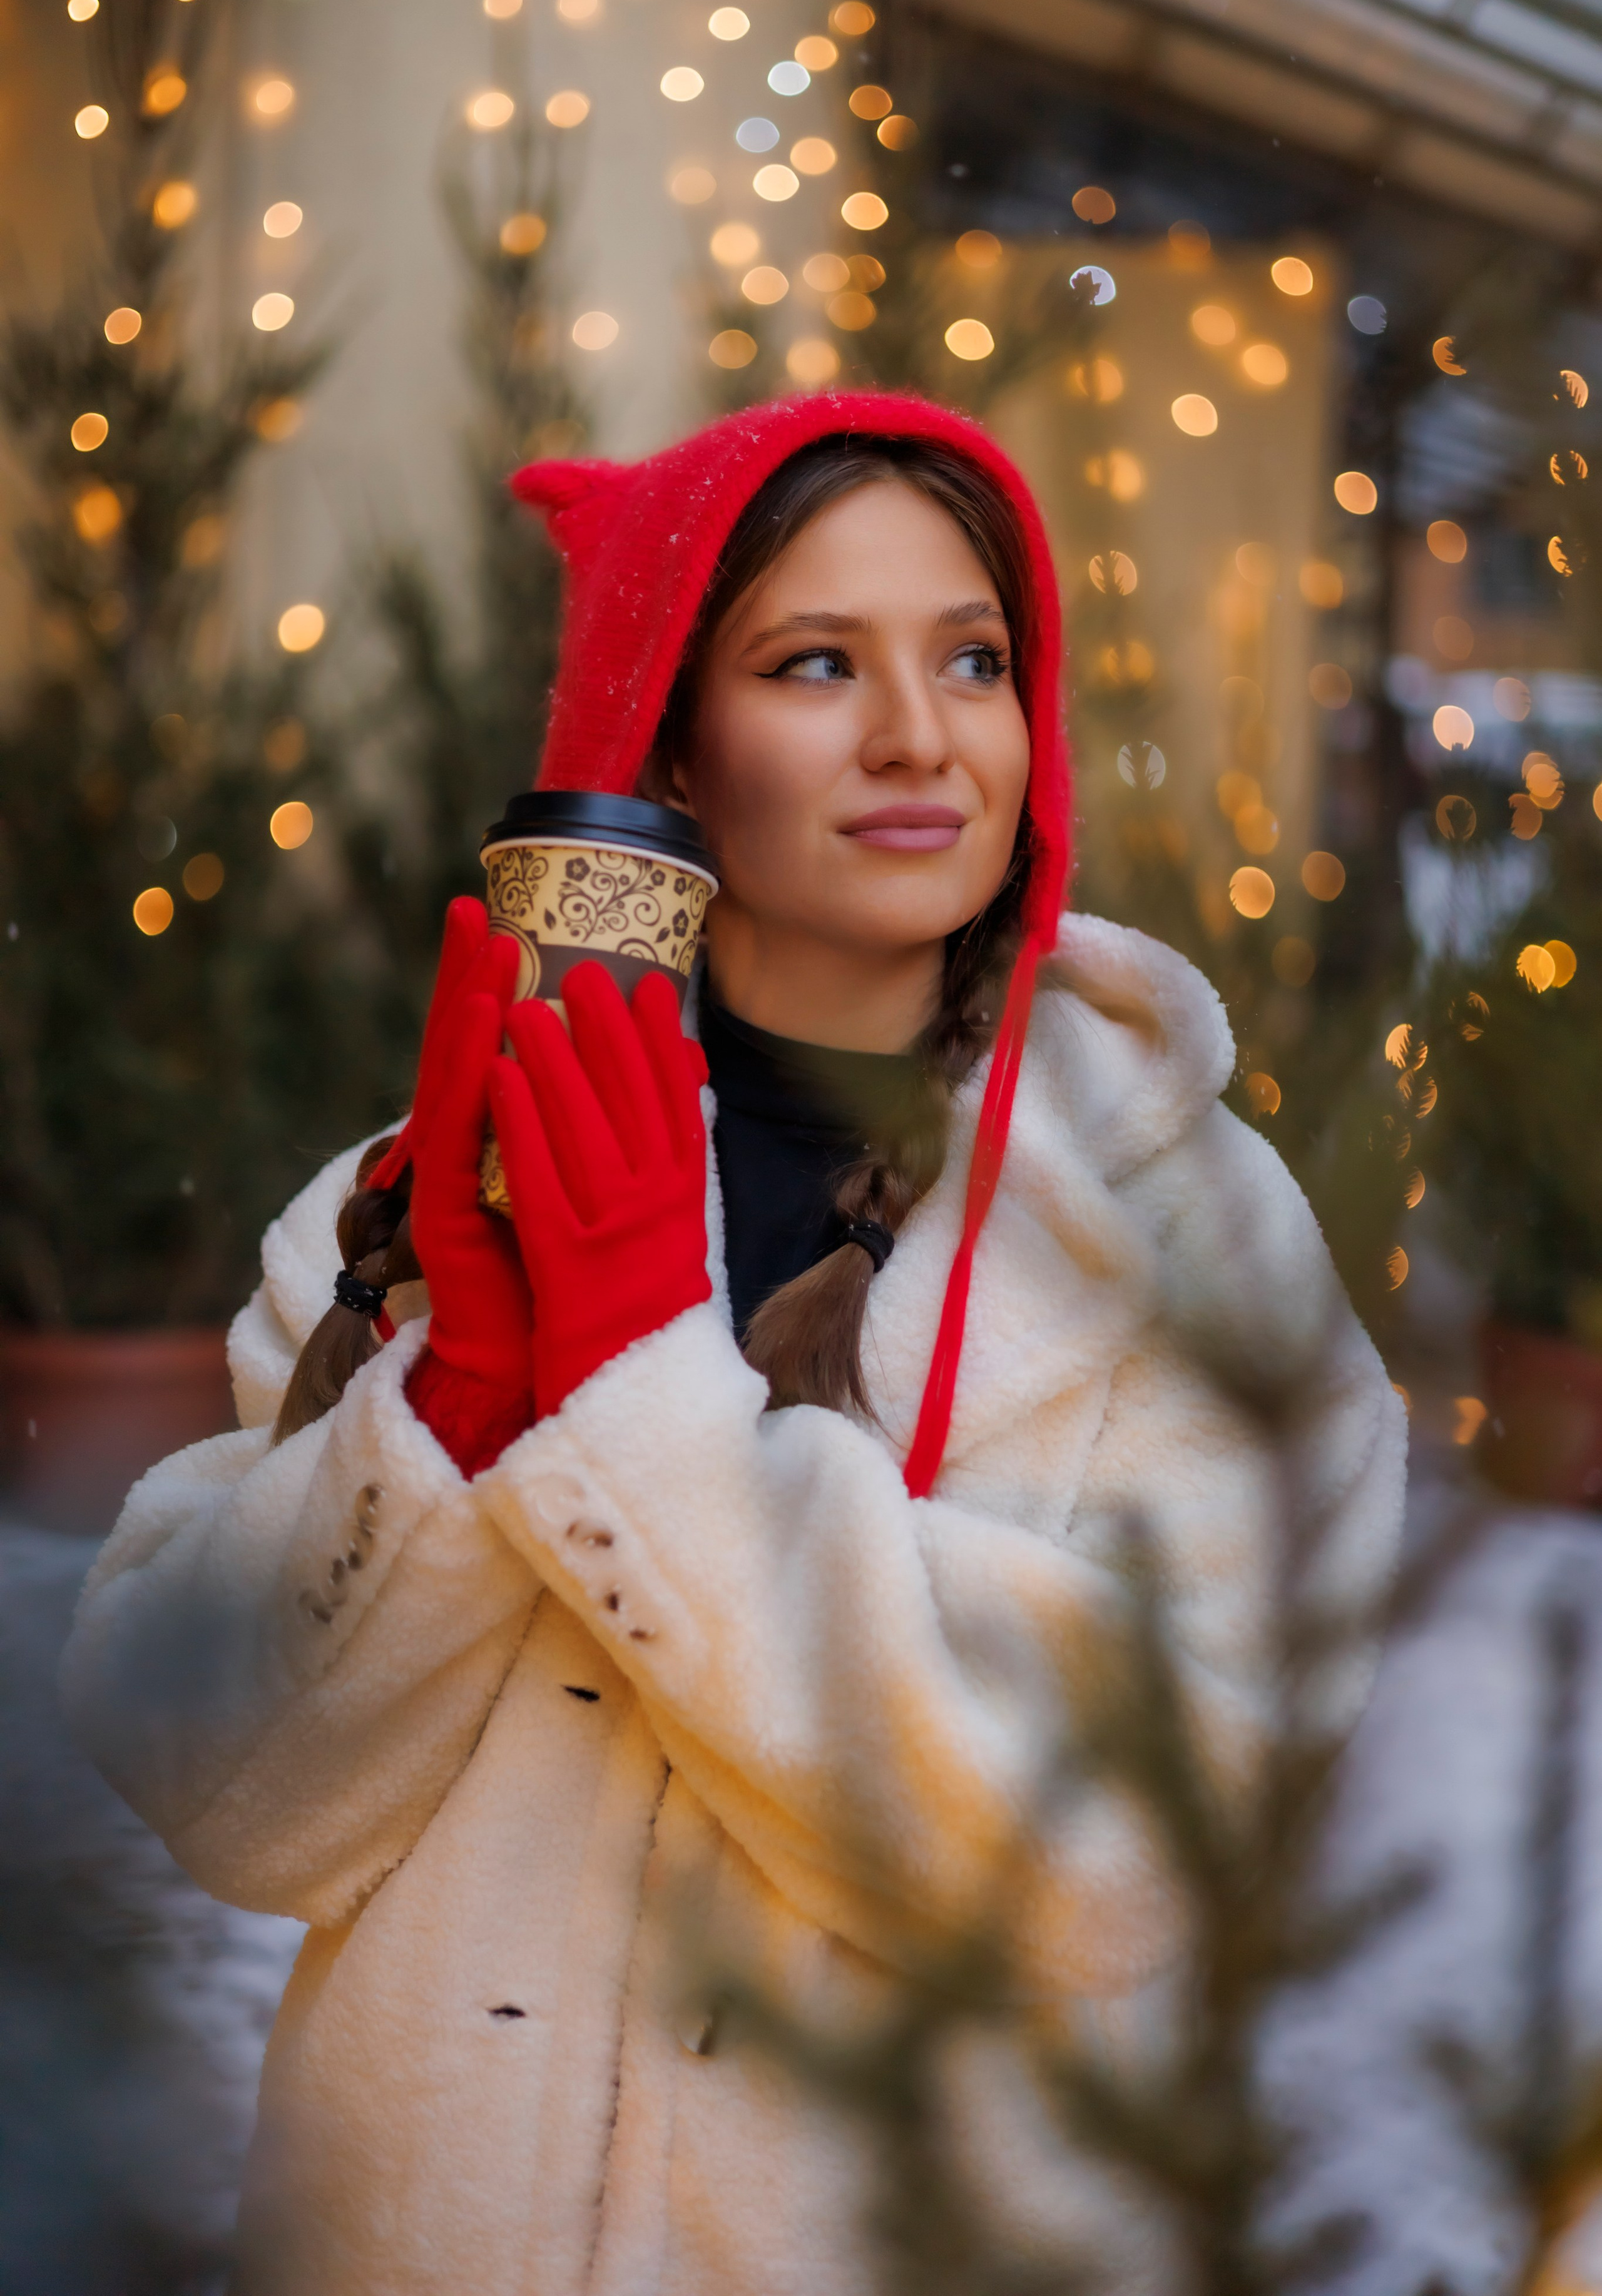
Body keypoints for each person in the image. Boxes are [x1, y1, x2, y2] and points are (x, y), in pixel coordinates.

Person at [62, 389, 1406, 2295]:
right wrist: (453, 1405)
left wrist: (638, 1390)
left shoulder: (1189, 1239)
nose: (921, 738)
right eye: (814, 665)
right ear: (668, 754)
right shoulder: (417, 1201)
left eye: (973, 659)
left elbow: (1125, 1859)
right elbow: (228, 1797)